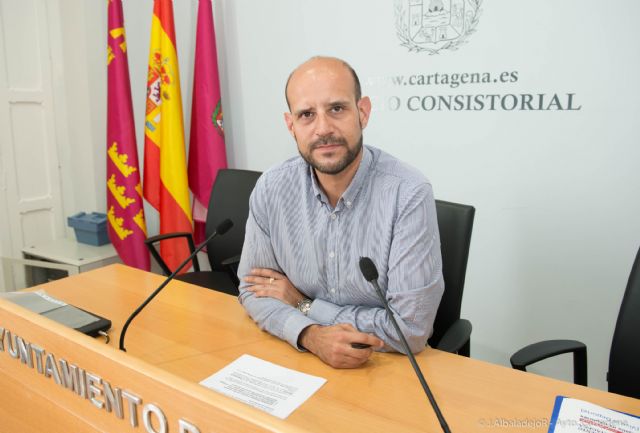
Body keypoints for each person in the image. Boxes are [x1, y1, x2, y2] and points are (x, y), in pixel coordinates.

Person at [237, 56, 444, 369]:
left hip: (384, 367)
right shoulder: (272, 187)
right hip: (299, 358)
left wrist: (303, 305)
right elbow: (254, 291)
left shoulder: (408, 193)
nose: (323, 129)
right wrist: (309, 336)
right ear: (291, 125)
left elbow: (409, 331)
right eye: (307, 114)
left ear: (363, 112)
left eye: (336, 109)